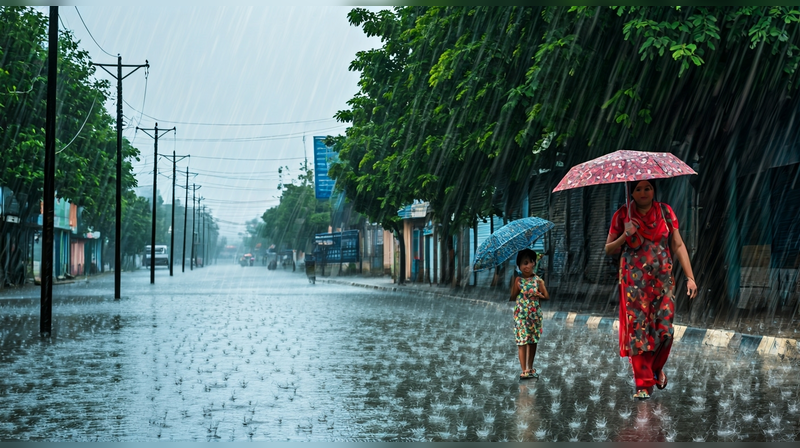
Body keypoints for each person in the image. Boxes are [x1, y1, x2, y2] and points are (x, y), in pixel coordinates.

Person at [605, 179, 698, 400]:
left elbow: (677, 244)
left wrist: (690, 277)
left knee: (665, 330)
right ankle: (643, 385)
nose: (644, 192)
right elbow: (608, 249)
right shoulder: (622, 215)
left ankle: (655, 368)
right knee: (639, 332)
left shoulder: (665, 212)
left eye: (648, 187)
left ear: (654, 190)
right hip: (634, 285)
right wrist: (624, 236)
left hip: (663, 282)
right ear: (632, 192)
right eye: (638, 188)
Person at [509, 248, 549, 380]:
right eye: (522, 264)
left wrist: (539, 294)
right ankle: (524, 369)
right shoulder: (518, 280)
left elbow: (547, 296)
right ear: (519, 267)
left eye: (528, 262)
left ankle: (530, 367)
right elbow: (513, 297)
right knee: (522, 341)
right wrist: (516, 287)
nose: (525, 266)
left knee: (532, 341)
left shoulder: (538, 281)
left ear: (533, 263)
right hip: (520, 315)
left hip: (534, 316)